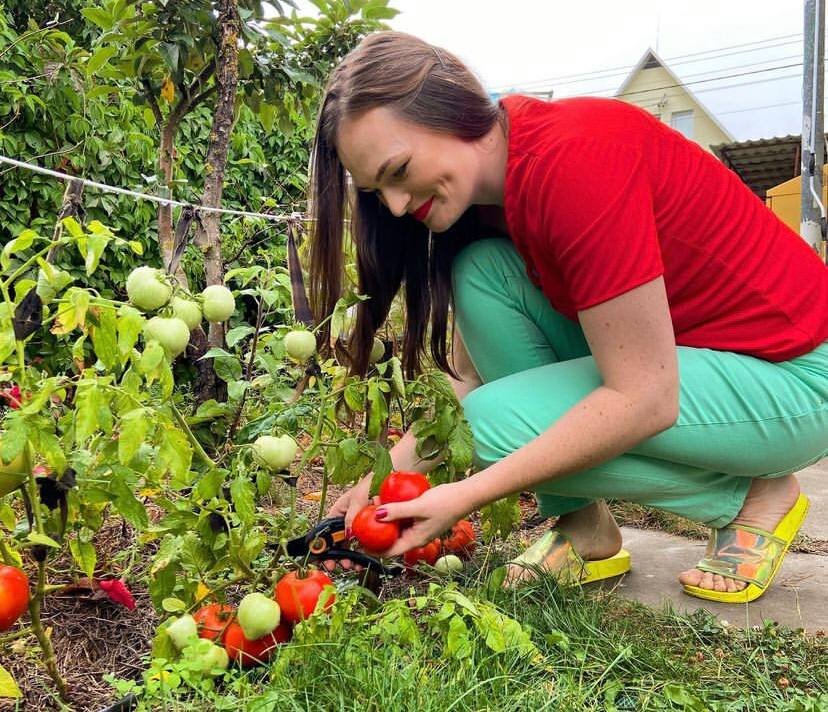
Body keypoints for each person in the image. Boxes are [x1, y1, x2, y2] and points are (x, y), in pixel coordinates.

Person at [307, 31, 828, 603]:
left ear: (452, 108)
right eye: (378, 191)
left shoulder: (572, 162)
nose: (398, 206)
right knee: (483, 274)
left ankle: (749, 497)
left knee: (490, 425)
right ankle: (584, 526)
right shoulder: (490, 200)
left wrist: (465, 494)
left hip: (795, 378)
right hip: (706, 362)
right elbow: (473, 376)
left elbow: (645, 396)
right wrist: (383, 477)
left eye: (399, 170)